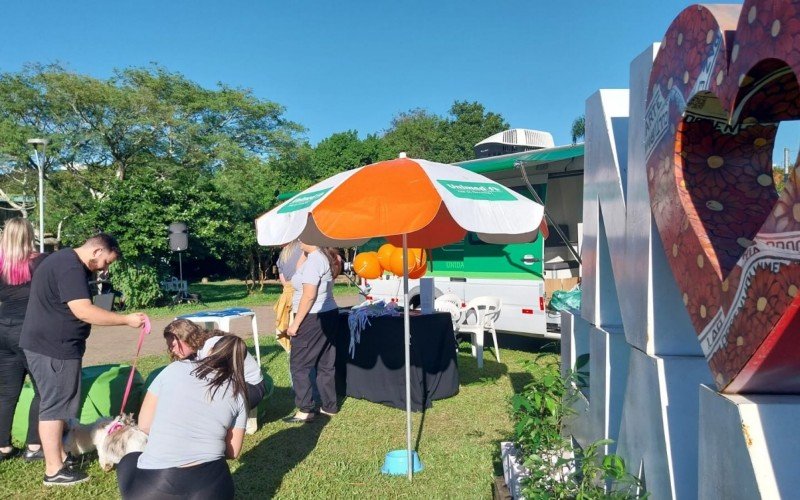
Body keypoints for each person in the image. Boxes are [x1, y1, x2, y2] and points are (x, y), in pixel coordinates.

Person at [19, 233, 146, 486]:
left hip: (48, 345)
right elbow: (83, 310)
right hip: (54, 347)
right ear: (97, 251)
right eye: (106, 262)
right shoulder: (69, 267)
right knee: (54, 407)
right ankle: (54, 470)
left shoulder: (61, 260)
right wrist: (126, 320)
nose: (104, 268)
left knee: (52, 403)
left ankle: (60, 456)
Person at [116, 335, 249, 499]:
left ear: (210, 351)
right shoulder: (238, 393)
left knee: (129, 460)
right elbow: (232, 452)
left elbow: (144, 425)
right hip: (212, 487)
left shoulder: (174, 369)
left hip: (156, 486)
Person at [0, 218, 46, 462]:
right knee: (42, 390)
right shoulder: (40, 262)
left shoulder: (0, 265)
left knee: (6, 393)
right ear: (30, 235)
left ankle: (3, 447)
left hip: (3, 329)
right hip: (30, 332)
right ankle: (34, 445)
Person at [283, 243, 341, 423]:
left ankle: (305, 409)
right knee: (325, 363)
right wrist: (304, 251)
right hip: (328, 313)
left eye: (302, 238)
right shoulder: (320, 257)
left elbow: (309, 295)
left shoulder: (316, 259)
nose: (298, 241)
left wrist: (295, 324)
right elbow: (297, 273)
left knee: (299, 364)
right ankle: (329, 406)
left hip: (311, 316)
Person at [163, 319, 267, 407]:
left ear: (185, 338)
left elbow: (211, 380)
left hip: (250, 388)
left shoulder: (213, 344)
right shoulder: (193, 353)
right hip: (230, 386)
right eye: (169, 346)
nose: (172, 350)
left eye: (173, 345)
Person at [274, 240, 304, 352]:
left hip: (289, 294)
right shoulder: (303, 247)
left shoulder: (283, 255)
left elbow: (284, 281)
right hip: (303, 291)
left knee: (292, 322)